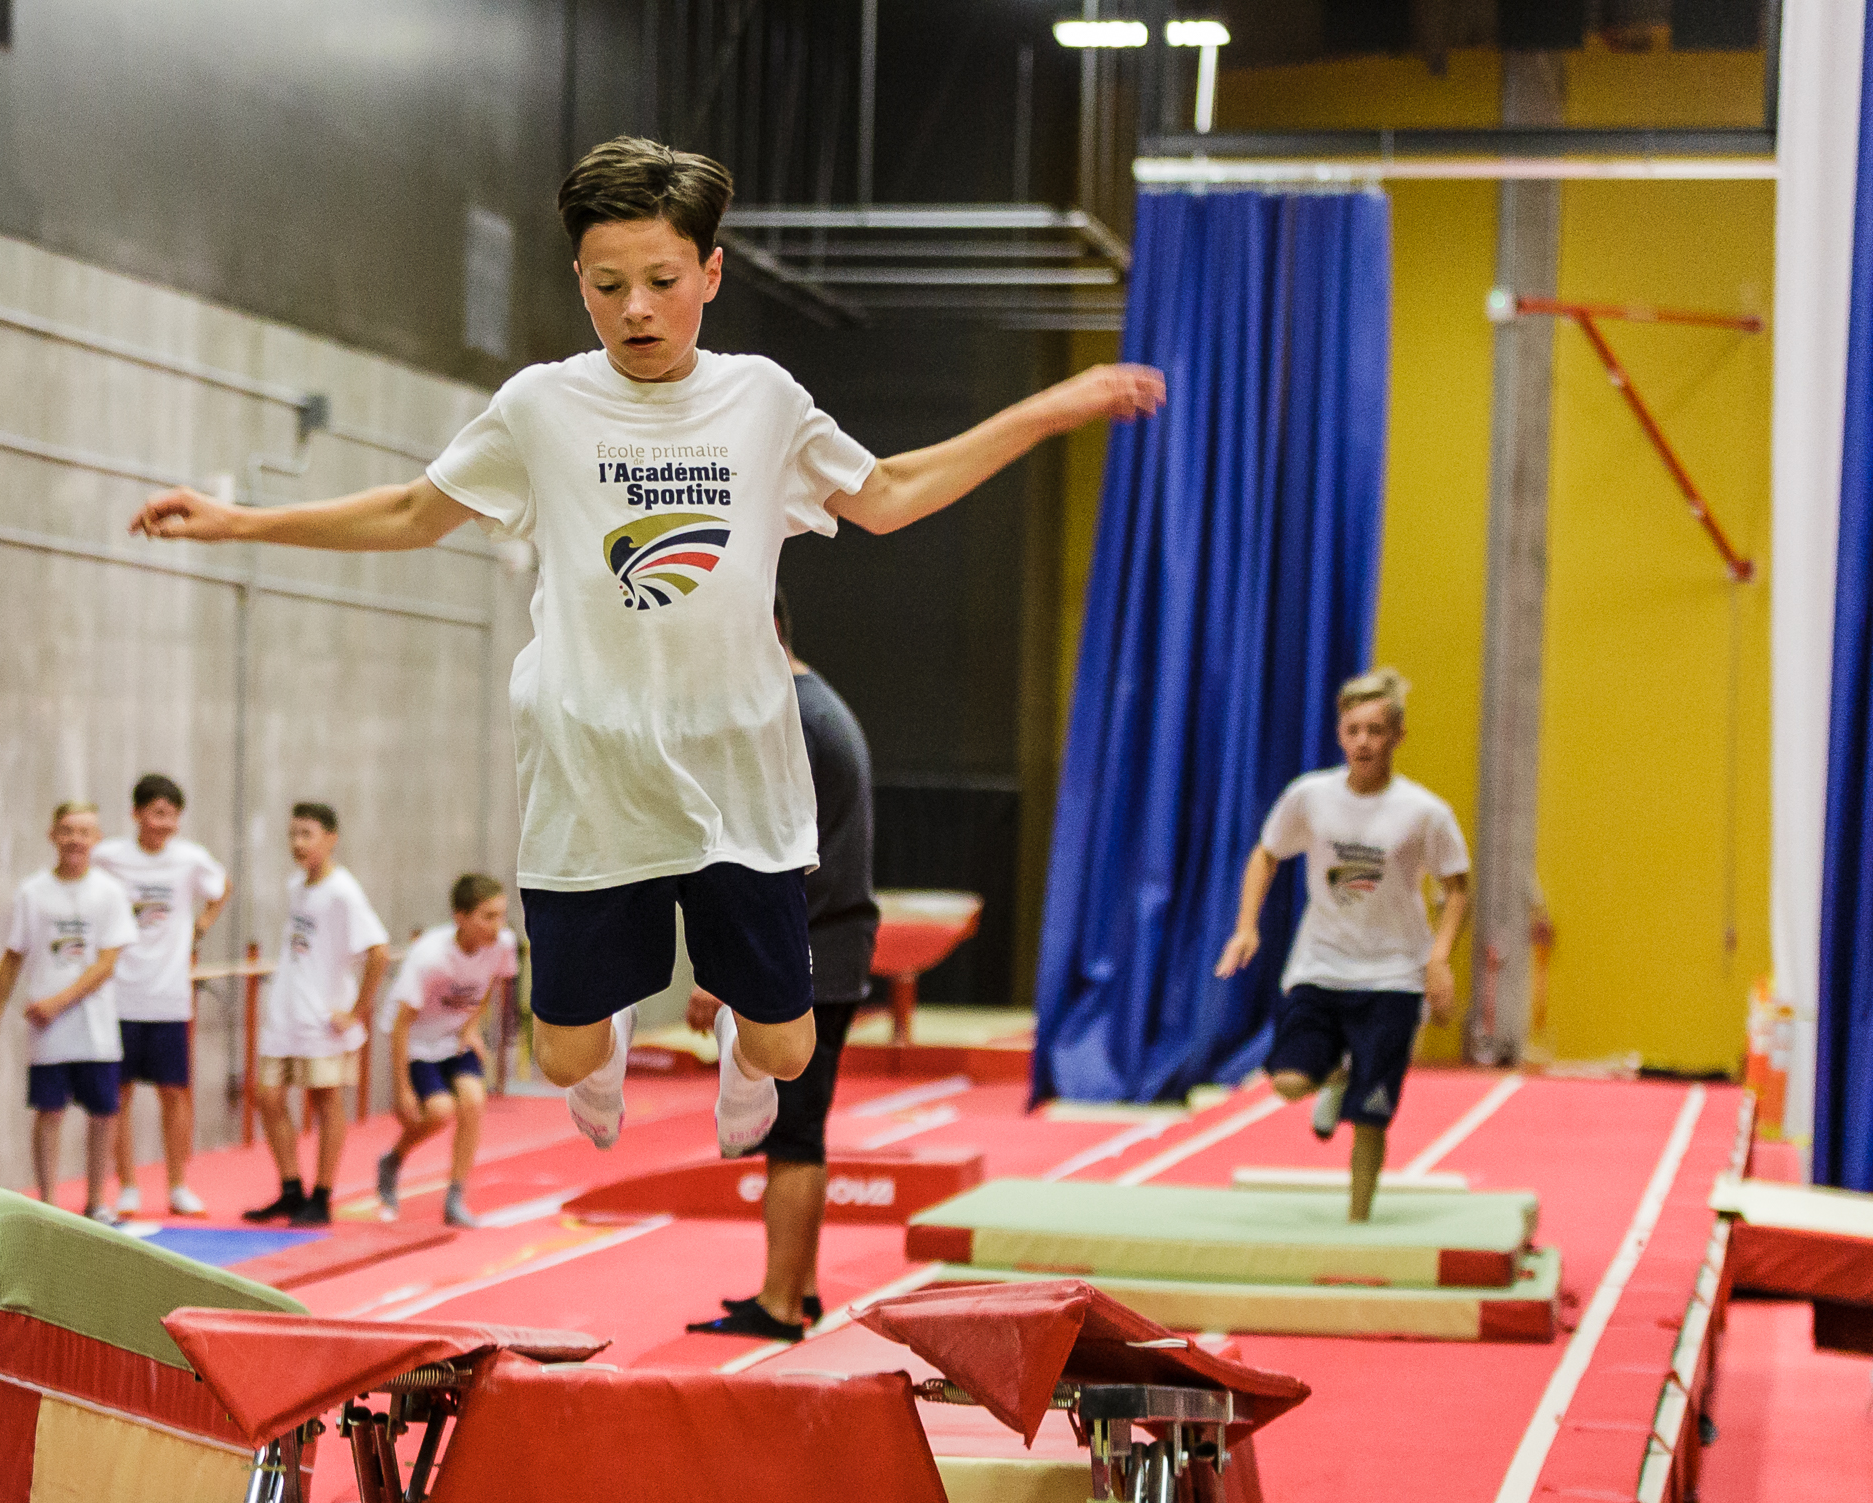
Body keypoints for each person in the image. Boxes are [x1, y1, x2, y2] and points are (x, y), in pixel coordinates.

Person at [130, 138, 1160, 1161]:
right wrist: (236, 521)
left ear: (710, 275)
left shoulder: (762, 400)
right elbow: (410, 512)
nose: (636, 310)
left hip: (732, 766)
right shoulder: (541, 406)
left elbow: (886, 496)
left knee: (789, 1049)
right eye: (609, 285)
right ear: (578, 280)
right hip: (592, 769)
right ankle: (613, 1030)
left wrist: (1054, 407)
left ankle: (740, 1058)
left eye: (663, 282)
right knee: (568, 1059)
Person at [1214, 667, 1470, 1222]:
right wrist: (1246, 925)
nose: (1363, 742)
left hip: (1393, 976)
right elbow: (1267, 852)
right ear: (1339, 734)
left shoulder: (1425, 812)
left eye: (1376, 731)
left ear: (1397, 736)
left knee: (1372, 1115)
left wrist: (1439, 957)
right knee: (1286, 1083)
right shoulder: (1311, 796)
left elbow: (1457, 887)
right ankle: (1338, 1076)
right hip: (1320, 966)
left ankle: (1357, 1223)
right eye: (1353, 730)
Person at [692, 589, 874, 1342]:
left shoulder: (792, 717)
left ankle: (778, 1303)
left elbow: (776, 861)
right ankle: (795, 1289)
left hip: (814, 949)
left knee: (792, 1134)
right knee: (800, 1132)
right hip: (826, 943)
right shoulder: (812, 703)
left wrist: (724, 970)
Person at [0, 804, 139, 1223]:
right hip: (46, 1028)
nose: (75, 839)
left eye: (84, 831)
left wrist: (59, 1002)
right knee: (50, 1111)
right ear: (52, 835)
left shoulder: (110, 893)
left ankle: (97, 1200)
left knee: (103, 1112)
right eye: (67, 830)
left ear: (97, 838)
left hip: (95, 1025)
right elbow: (12, 958)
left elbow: (106, 963)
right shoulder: (33, 892)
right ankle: (48, 1201)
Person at [243, 803, 390, 1230]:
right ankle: (291, 1188)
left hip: (321, 1018)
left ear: (330, 838)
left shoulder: (342, 891)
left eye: (307, 834)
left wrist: (356, 1010)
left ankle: (322, 1195)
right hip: (286, 1013)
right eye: (292, 834)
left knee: (325, 1101)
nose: (297, 843)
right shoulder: (298, 887)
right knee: (268, 1097)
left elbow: (378, 951)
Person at [92, 774, 231, 1217]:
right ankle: (128, 1184)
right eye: (156, 814)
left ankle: (177, 1184)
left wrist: (202, 925)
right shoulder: (110, 857)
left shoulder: (190, 859)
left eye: (171, 816)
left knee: (175, 1093)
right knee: (122, 1093)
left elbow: (221, 886)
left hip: (169, 994)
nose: (164, 824)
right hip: (121, 994)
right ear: (136, 815)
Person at [373, 875, 517, 1230]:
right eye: (487, 917)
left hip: (453, 1039)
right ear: (461, 917)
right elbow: (401, 1024)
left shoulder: (503, 944)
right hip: (418, 1043)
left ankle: (455, 1198)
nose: (497, 926)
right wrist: (402, 1089)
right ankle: (392, 1160)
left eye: (501, 915)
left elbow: (493, 981)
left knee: (473, 1101)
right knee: (439, 1112)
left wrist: (470, 1026)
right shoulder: (429, 958)